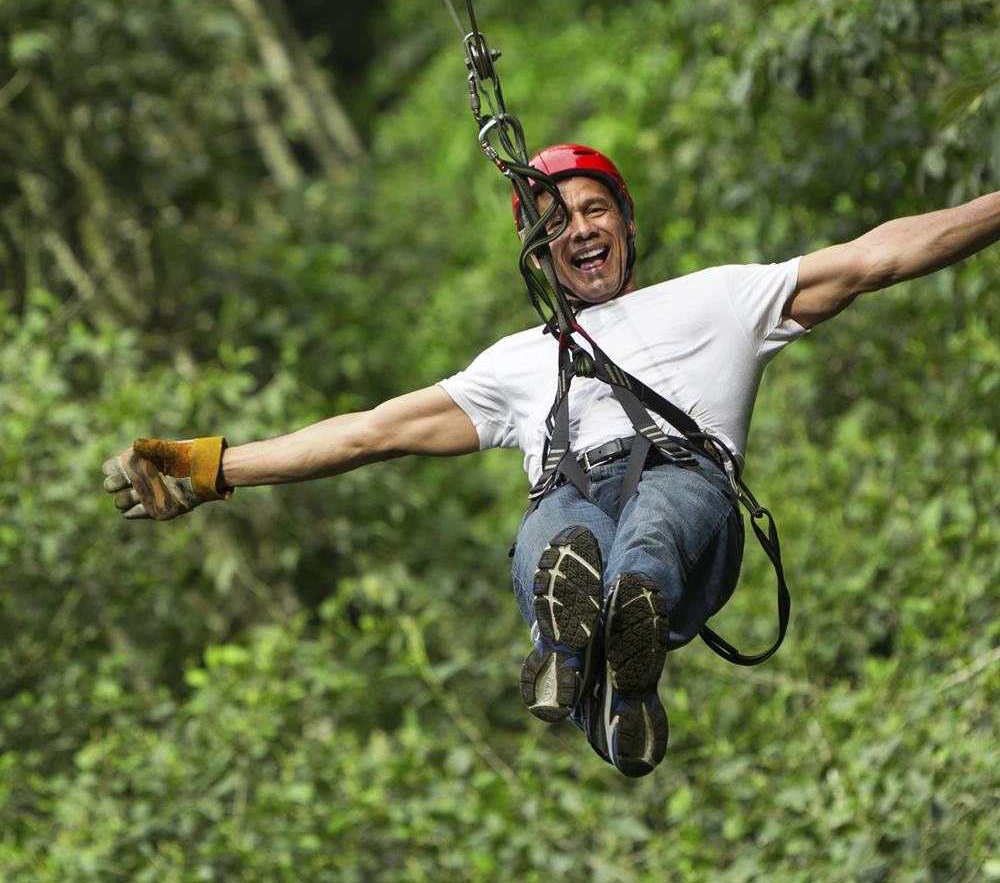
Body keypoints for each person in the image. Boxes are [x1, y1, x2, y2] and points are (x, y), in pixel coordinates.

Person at [103, 144, 1000, 777]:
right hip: (571, 492)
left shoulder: (721, 299)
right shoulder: (515, 365)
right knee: (563, 530)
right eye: (555, 220)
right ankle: (591, 654)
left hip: (688, 488)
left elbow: (881, 254)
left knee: (651, 530)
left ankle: (613, 622)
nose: (578, 229)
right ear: (537, 251)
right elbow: (368, 432)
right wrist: (213, 467)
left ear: (626, 221)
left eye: (594, 209)